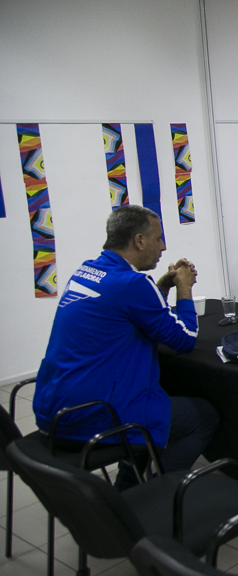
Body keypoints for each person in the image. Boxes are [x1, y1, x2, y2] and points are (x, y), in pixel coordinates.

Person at [33, 205, 217, 490]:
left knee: (149, 403)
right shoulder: (132, 283)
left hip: (54, 410)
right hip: (90, 417)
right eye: (158, 238)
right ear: (139, 240)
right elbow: (184, 339)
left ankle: (128, 489)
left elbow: (133, 314)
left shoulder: (87, 271)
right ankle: (157, 495)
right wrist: (184, 289)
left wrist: (161, 287)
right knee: (203, 416)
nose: (163, 246)